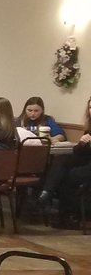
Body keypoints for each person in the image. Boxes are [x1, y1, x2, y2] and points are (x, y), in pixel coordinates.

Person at [39, 94, 91, 225]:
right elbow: (78, 153)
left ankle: (69, 216)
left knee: (66, 177)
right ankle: (47, 193)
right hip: (86, 161)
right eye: (90, 107)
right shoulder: (89, 127)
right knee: (61, 160)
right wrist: (82, 143)